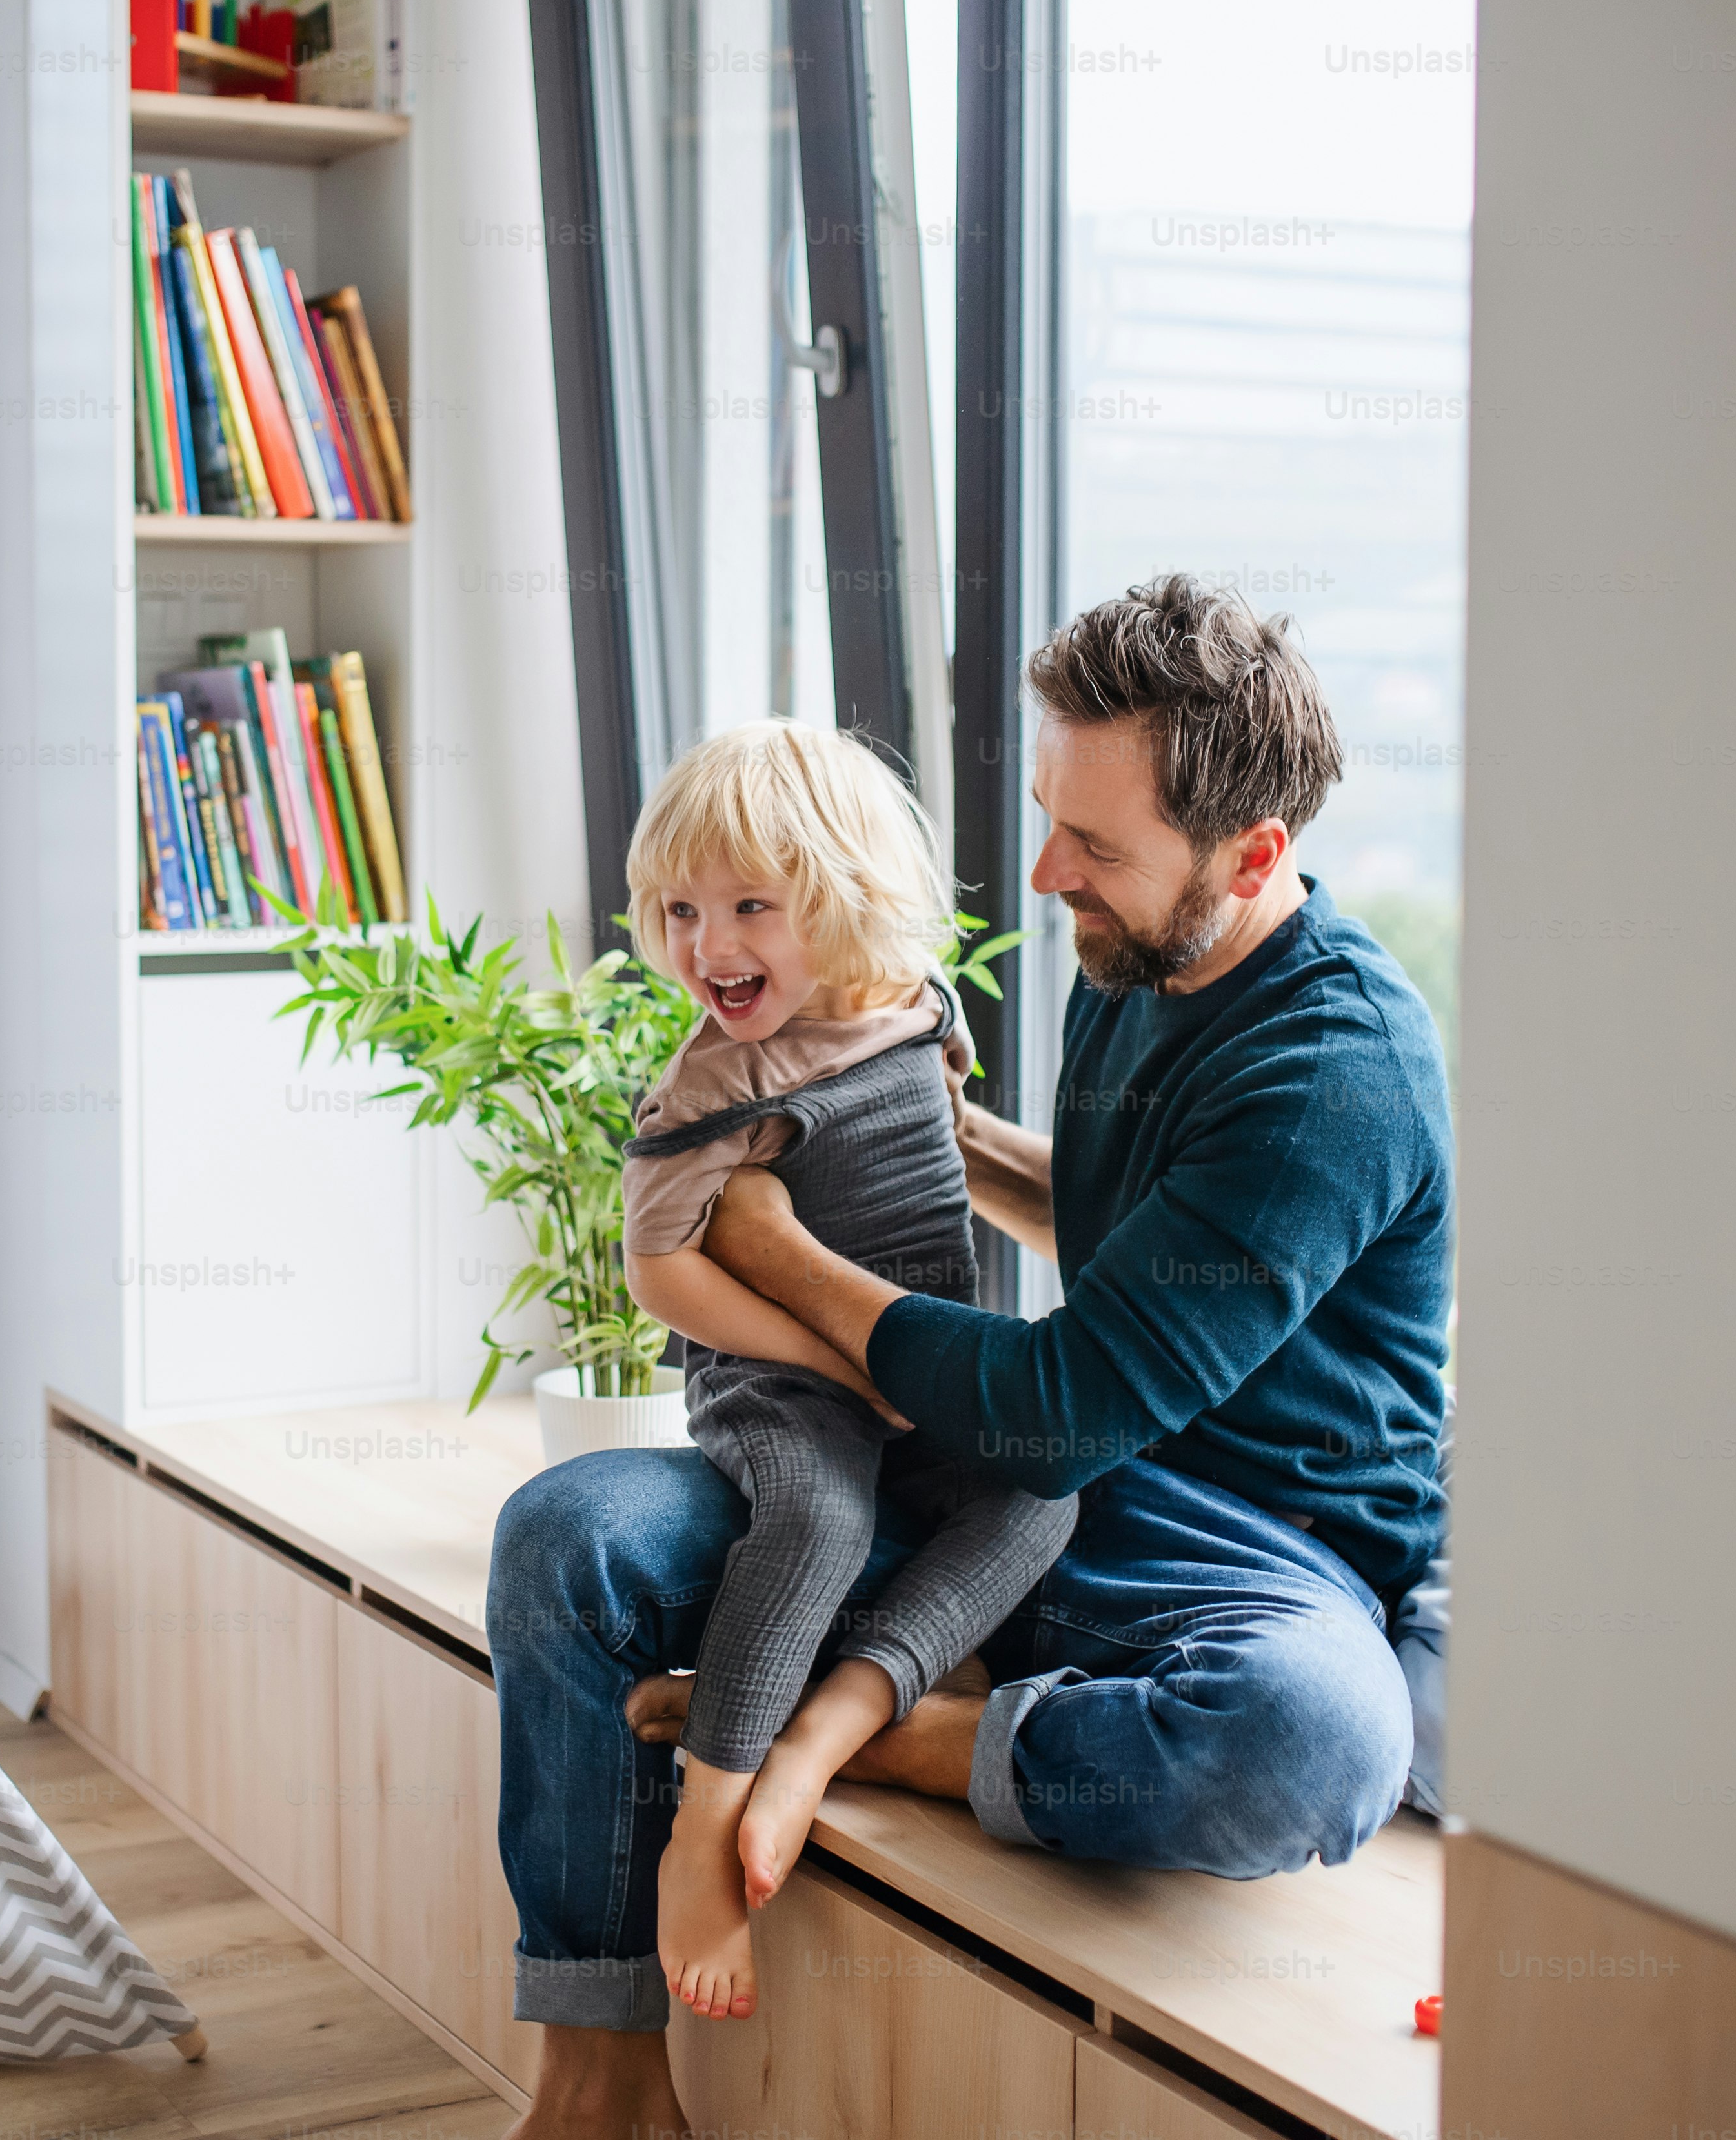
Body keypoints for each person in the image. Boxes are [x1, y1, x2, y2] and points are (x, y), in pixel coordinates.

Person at [489, 575, 1453, 2140]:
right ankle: (597, 2071)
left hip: (1235, 1542)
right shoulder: (1140, 952)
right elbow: (1094, 1234)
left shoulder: (1331, 1072)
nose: (1045, 870)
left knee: (1314, 1745)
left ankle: (919, 1729)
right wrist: (914, 1137)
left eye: (1096, 848)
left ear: (1254, 858)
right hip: (1012, 1473)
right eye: (1049, 816)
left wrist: (779, 1243)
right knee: (569, 1540)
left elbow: (1059, 1409)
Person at [614, 719, 1078, 2023]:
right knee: (819, 1515)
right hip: (778, 1382)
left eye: (750, 906)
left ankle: (832, 1729)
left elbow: (949, 1164)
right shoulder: (711, 1080)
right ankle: (704, 1830)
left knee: (1047, 1488)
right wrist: (829, 1357)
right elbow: (661, 1274)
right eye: (679, 910)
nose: (709, 947)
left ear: (847, 898)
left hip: (912, 1361)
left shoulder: (917, 1009)